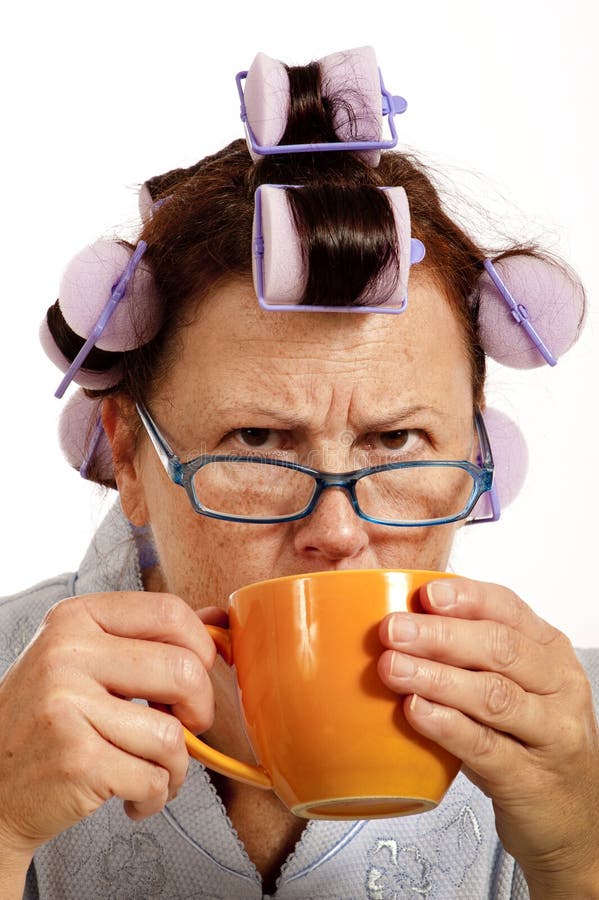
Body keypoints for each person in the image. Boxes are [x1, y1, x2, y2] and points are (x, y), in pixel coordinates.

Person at [0, 46, 597, 899]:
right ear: (128, 454)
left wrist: (577, 863)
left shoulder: (582, 740)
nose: (339, 534)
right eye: (256, 440)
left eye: (396, 443)